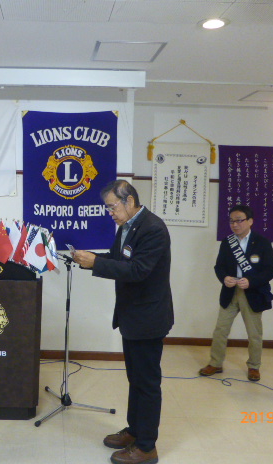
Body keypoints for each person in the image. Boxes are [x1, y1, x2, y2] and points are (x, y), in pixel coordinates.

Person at [72, 180, 173, 464]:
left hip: (148, 318)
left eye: (112, 207)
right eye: (107, 208)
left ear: (129, 201)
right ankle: (134, 431)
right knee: (135, 379)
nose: (110, 213)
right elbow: (118, 260)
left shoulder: (153, 228)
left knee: (147, 383)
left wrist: (95, 263)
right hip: (131, 316)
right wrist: (86, 259)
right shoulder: (126, 227)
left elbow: (138, 270)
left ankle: (146, 446)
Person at [199, 204, 273, 382]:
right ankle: (216, 363)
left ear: (250, 221)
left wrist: (251, 281)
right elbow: (219, 267)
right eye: (232, 221)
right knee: (220, 330)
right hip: (230, 292)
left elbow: (270, 270)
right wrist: (224, 278)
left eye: (239, 220)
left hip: (252, 293)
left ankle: (254, 366)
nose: (235, 224)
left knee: (254, 333)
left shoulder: (262, 242)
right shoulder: (227, 243)